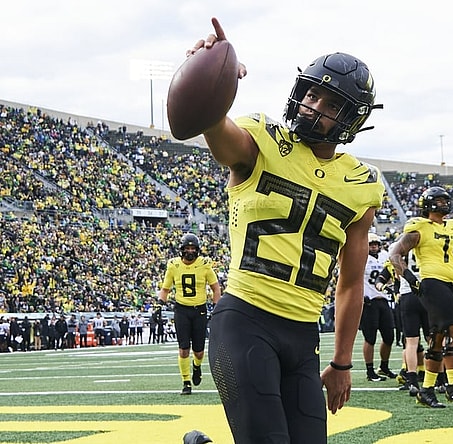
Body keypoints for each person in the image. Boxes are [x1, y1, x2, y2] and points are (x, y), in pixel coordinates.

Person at [182, 18, 383, 443]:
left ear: (352, 117)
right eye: (312, 94)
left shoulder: (363, 183)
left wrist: (343, 361)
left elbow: (351, 281)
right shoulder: (261, 137)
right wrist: (213, 82)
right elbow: (217, 133)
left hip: (303, 332)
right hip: (245, 319)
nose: (314, 107)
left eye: (331, 104)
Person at [389, 186, 453, 409]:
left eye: (446, 200)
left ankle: (428, 388)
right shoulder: (419, 227)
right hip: (432, 281)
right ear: (428, 204)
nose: (444, 204)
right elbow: (395, 254)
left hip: (451, 282)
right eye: (439, 200)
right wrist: (408, 276)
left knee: (438, 336)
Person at [158, 232, 222, 395]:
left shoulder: (205, 264)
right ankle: (186, 382)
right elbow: (165, 289)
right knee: (183, 348)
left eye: (193, 248)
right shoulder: (174, 265)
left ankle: (197, 366)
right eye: (187, 248)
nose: (190, 251)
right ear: (181, 249)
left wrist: (216, 306)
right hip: (181, 310)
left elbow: (216, 288)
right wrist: (159, 305)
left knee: (199, 351)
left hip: (199, 309)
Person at [375, 246, 427, 397]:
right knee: (424, 338)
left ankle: (411, 373)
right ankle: (434, 376)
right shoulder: (423, 251)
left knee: (410, 341)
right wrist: (387, 288)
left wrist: (385, 287)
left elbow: (379, 280)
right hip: (418, 296)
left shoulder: (396, 257)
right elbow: (380, 280)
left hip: (406, 298)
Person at [359, 232, 397, 382]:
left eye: (375, 244)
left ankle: (384, 367)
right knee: (370, 338)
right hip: (369, 302)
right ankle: (370, 371)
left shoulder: (385, 256)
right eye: (371, 244)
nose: (374, 247)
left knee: (389, 337)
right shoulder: (361, 257)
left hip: (384, 301)